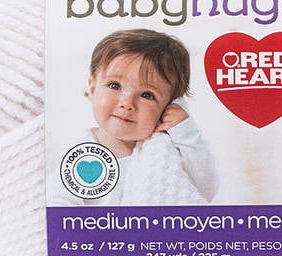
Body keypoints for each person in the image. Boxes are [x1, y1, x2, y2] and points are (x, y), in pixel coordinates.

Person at [52, 28, 218, 206]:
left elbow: (206, 189)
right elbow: (59, 202)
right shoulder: (81, 151)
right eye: (114, 85)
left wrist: (185, 132)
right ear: (93, 88)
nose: (127, 103)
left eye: (147, 95)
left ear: (169, 106)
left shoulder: (166, 151)